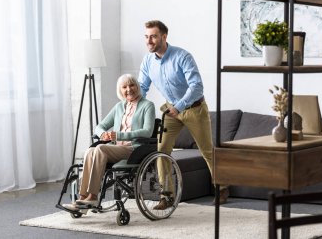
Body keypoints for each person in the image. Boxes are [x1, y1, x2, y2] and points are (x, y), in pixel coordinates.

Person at [138, 20, 228, 209]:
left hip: (194, 109)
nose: (149, 40)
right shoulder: (147, 61)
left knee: (207, 151)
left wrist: (179, 106)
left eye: (153, 36)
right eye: (146, 37)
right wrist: (134, 108)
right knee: (161, 151)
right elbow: (142, 88)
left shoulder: (182, 56)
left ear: (164, 36)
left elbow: (196, 86)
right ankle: (167, 195)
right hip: (171, 111)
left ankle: (222, 188)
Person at [63, 74, 155, 211]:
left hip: (133, 149)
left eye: (132, 85)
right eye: (124, 87)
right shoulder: (119, 107)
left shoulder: (148, 106)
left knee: (100, 148)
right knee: (90, 150)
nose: (129, 89)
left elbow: (147, 131)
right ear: (120, 90)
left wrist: (119, 135)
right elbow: (100, 126)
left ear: (137, 86)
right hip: (116, 148)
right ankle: (83, 198)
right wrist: (103, 134)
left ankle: (93, 196)